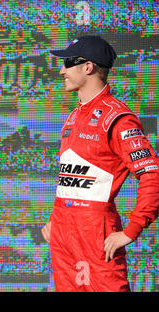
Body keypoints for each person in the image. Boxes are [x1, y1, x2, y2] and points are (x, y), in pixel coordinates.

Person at [41, 36, 159, 291]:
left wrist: (132, 230)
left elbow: (151, 173)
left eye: (67, 62)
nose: (61, 70)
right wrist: (56, 218)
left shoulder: (118, 118)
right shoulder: (73, 116)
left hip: (95, 231)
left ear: (88, 67)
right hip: (64, 230)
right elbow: (70, 176)